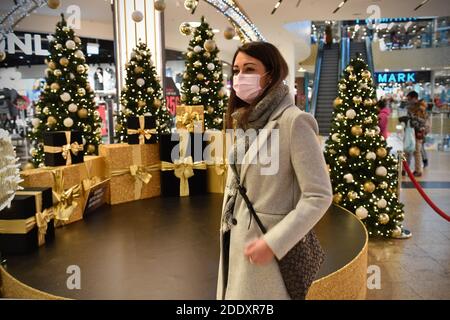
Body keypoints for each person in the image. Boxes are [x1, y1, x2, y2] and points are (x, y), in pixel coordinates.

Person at [217, 42, 332, 300]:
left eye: (249, 69)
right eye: (236, 70)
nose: (239, 78)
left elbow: (319, 195)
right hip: (235, 241)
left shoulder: (294, 122)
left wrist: (274, 242)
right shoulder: (246, 120)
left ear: (270, 74)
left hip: (269, 251)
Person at [399, 92, 427, 177]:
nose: (408, 101)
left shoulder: (421, 107)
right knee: (406, 150)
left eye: (409, 99)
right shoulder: (410, 108)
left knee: (416, 151)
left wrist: (410, 118)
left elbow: (422, 121)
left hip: (418, 132)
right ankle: (404, 169)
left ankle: (418, 170)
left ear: (415, 98)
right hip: (410, 132)